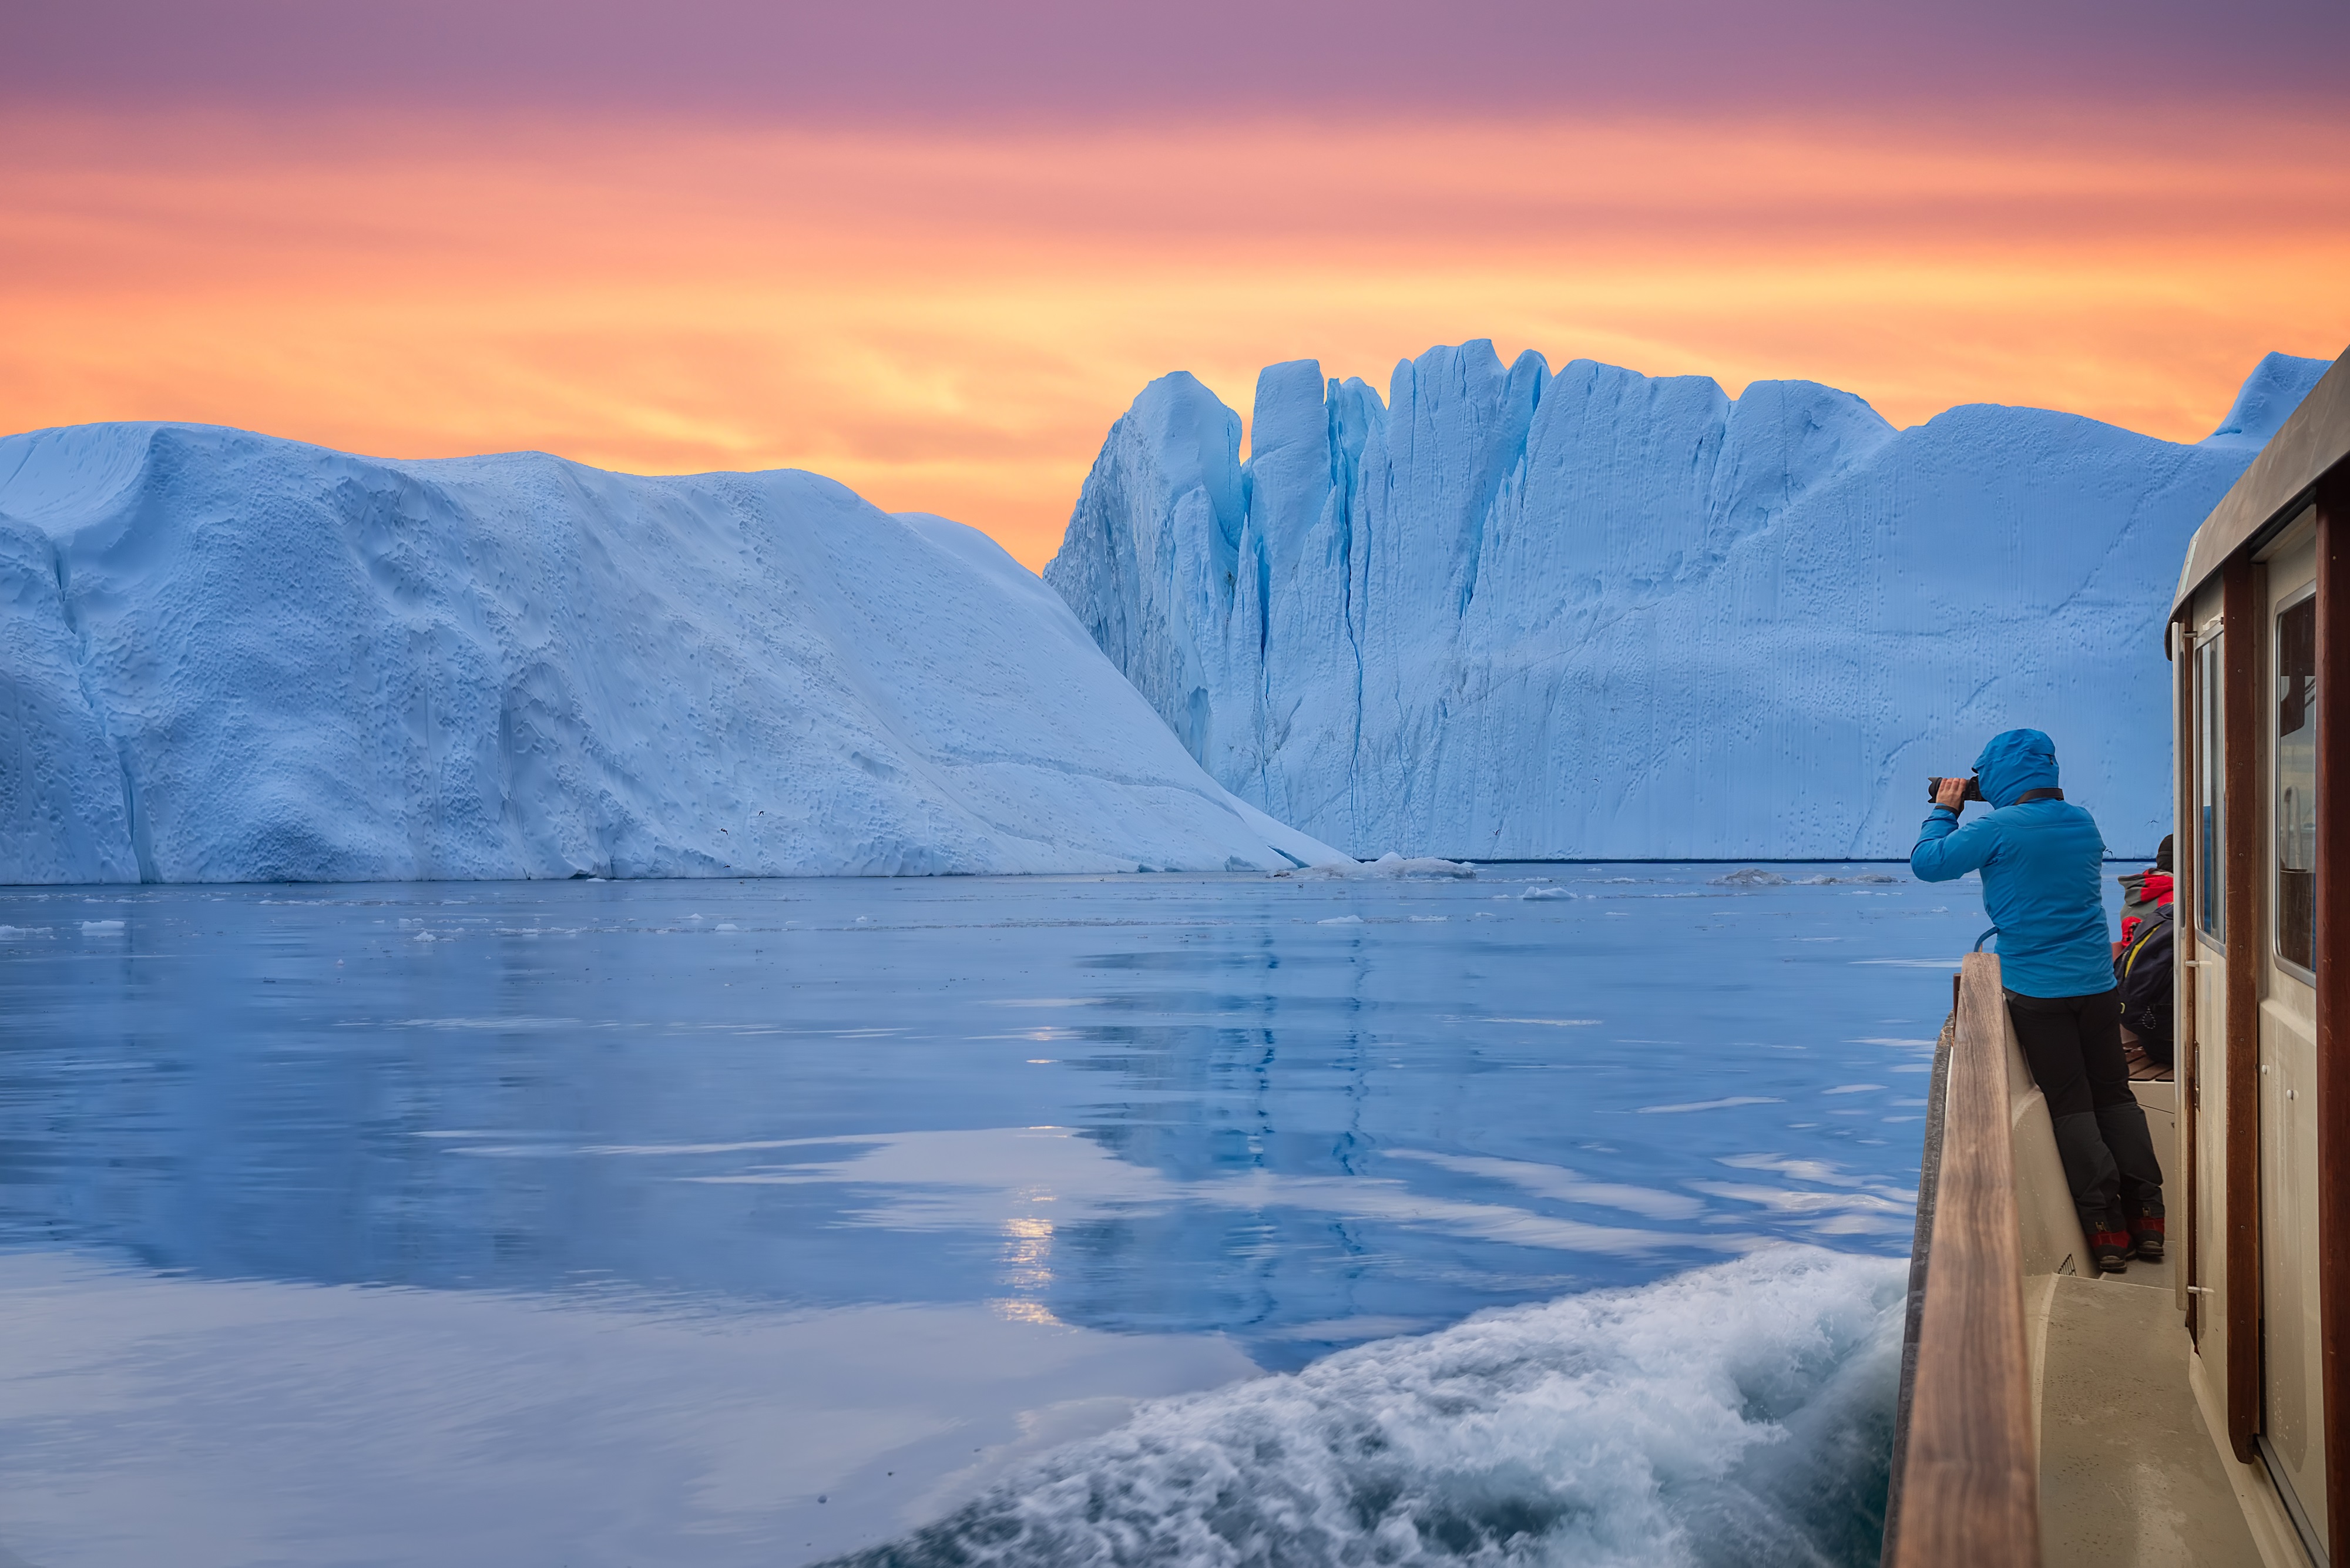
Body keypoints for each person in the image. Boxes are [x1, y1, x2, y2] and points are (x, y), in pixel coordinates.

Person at [1911, 729, 2164, 1273]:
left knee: (2071, 1104)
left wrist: (1945, 808)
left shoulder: (1998, 828)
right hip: (2098, 986)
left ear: (1999, 776)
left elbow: (1928, 863)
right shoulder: (2082, 821)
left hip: (2039, 993)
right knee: (2116, 1096)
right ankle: (2148, 1216)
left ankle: (2107, 1230)